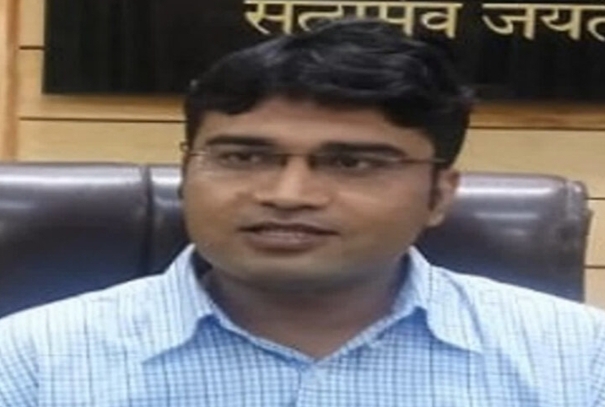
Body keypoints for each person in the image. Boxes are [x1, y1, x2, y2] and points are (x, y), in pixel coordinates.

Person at [1, 18, 604, 406]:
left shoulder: (580, 360)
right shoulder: (32, 363)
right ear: (186, 174)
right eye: (243, 156)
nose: (288, 193)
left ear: (439, 195)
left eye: (352, 163)